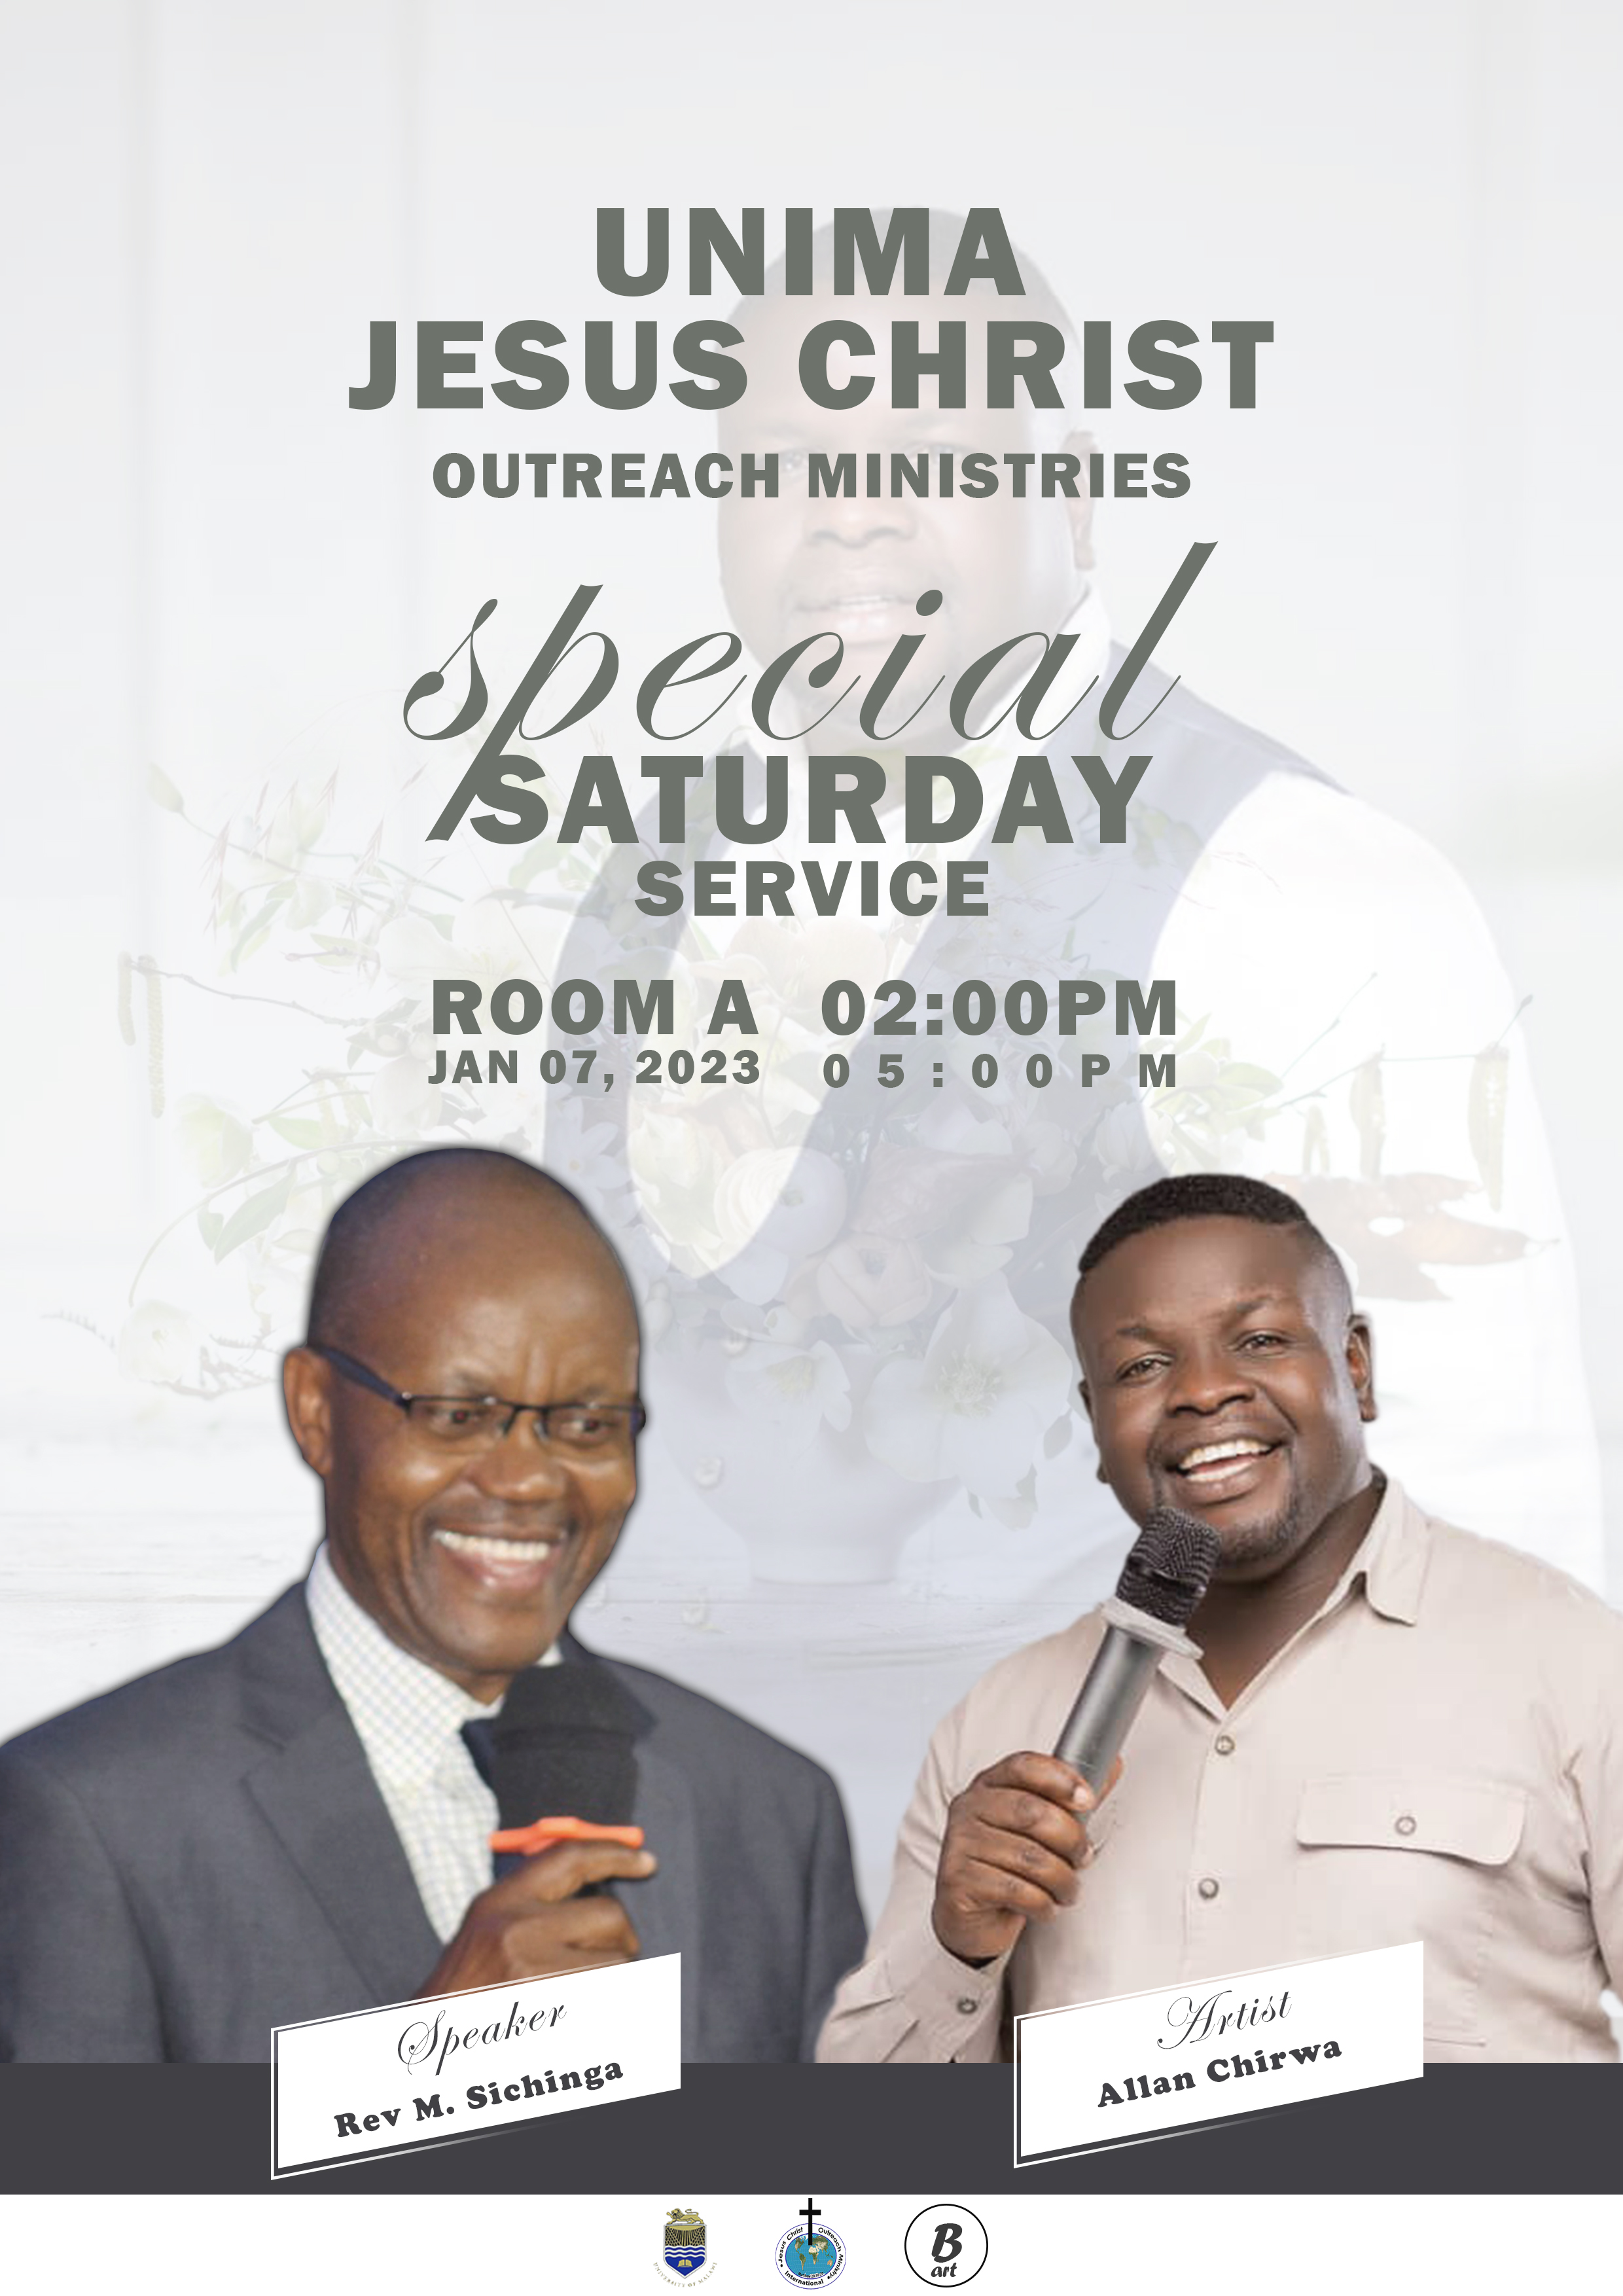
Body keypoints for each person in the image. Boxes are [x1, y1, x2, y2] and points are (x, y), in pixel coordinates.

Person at [535, 215, 1602, 1920]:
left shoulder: (1291, 878)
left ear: (1072, 483)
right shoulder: (647, 875)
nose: (852, 503)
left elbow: (1487, 1526)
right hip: (693, 1908)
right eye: (785, 455)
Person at [0, 1147, 865, 2062]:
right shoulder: (89, 1818)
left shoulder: (772, 1810)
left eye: (586, 1424)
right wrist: (425, 2070)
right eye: (457, 1414)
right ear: (316, 1411)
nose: (529, 1479)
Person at [816, 1173, 1623, 2063]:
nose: (1203, 1391)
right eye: (1142, 1367)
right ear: (1096, 1423)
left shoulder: (1578, 1664)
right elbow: (866, 2128)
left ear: (1355, 1367)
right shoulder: (1000, 1722)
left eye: (1261, 1339)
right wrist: (960, 1941)